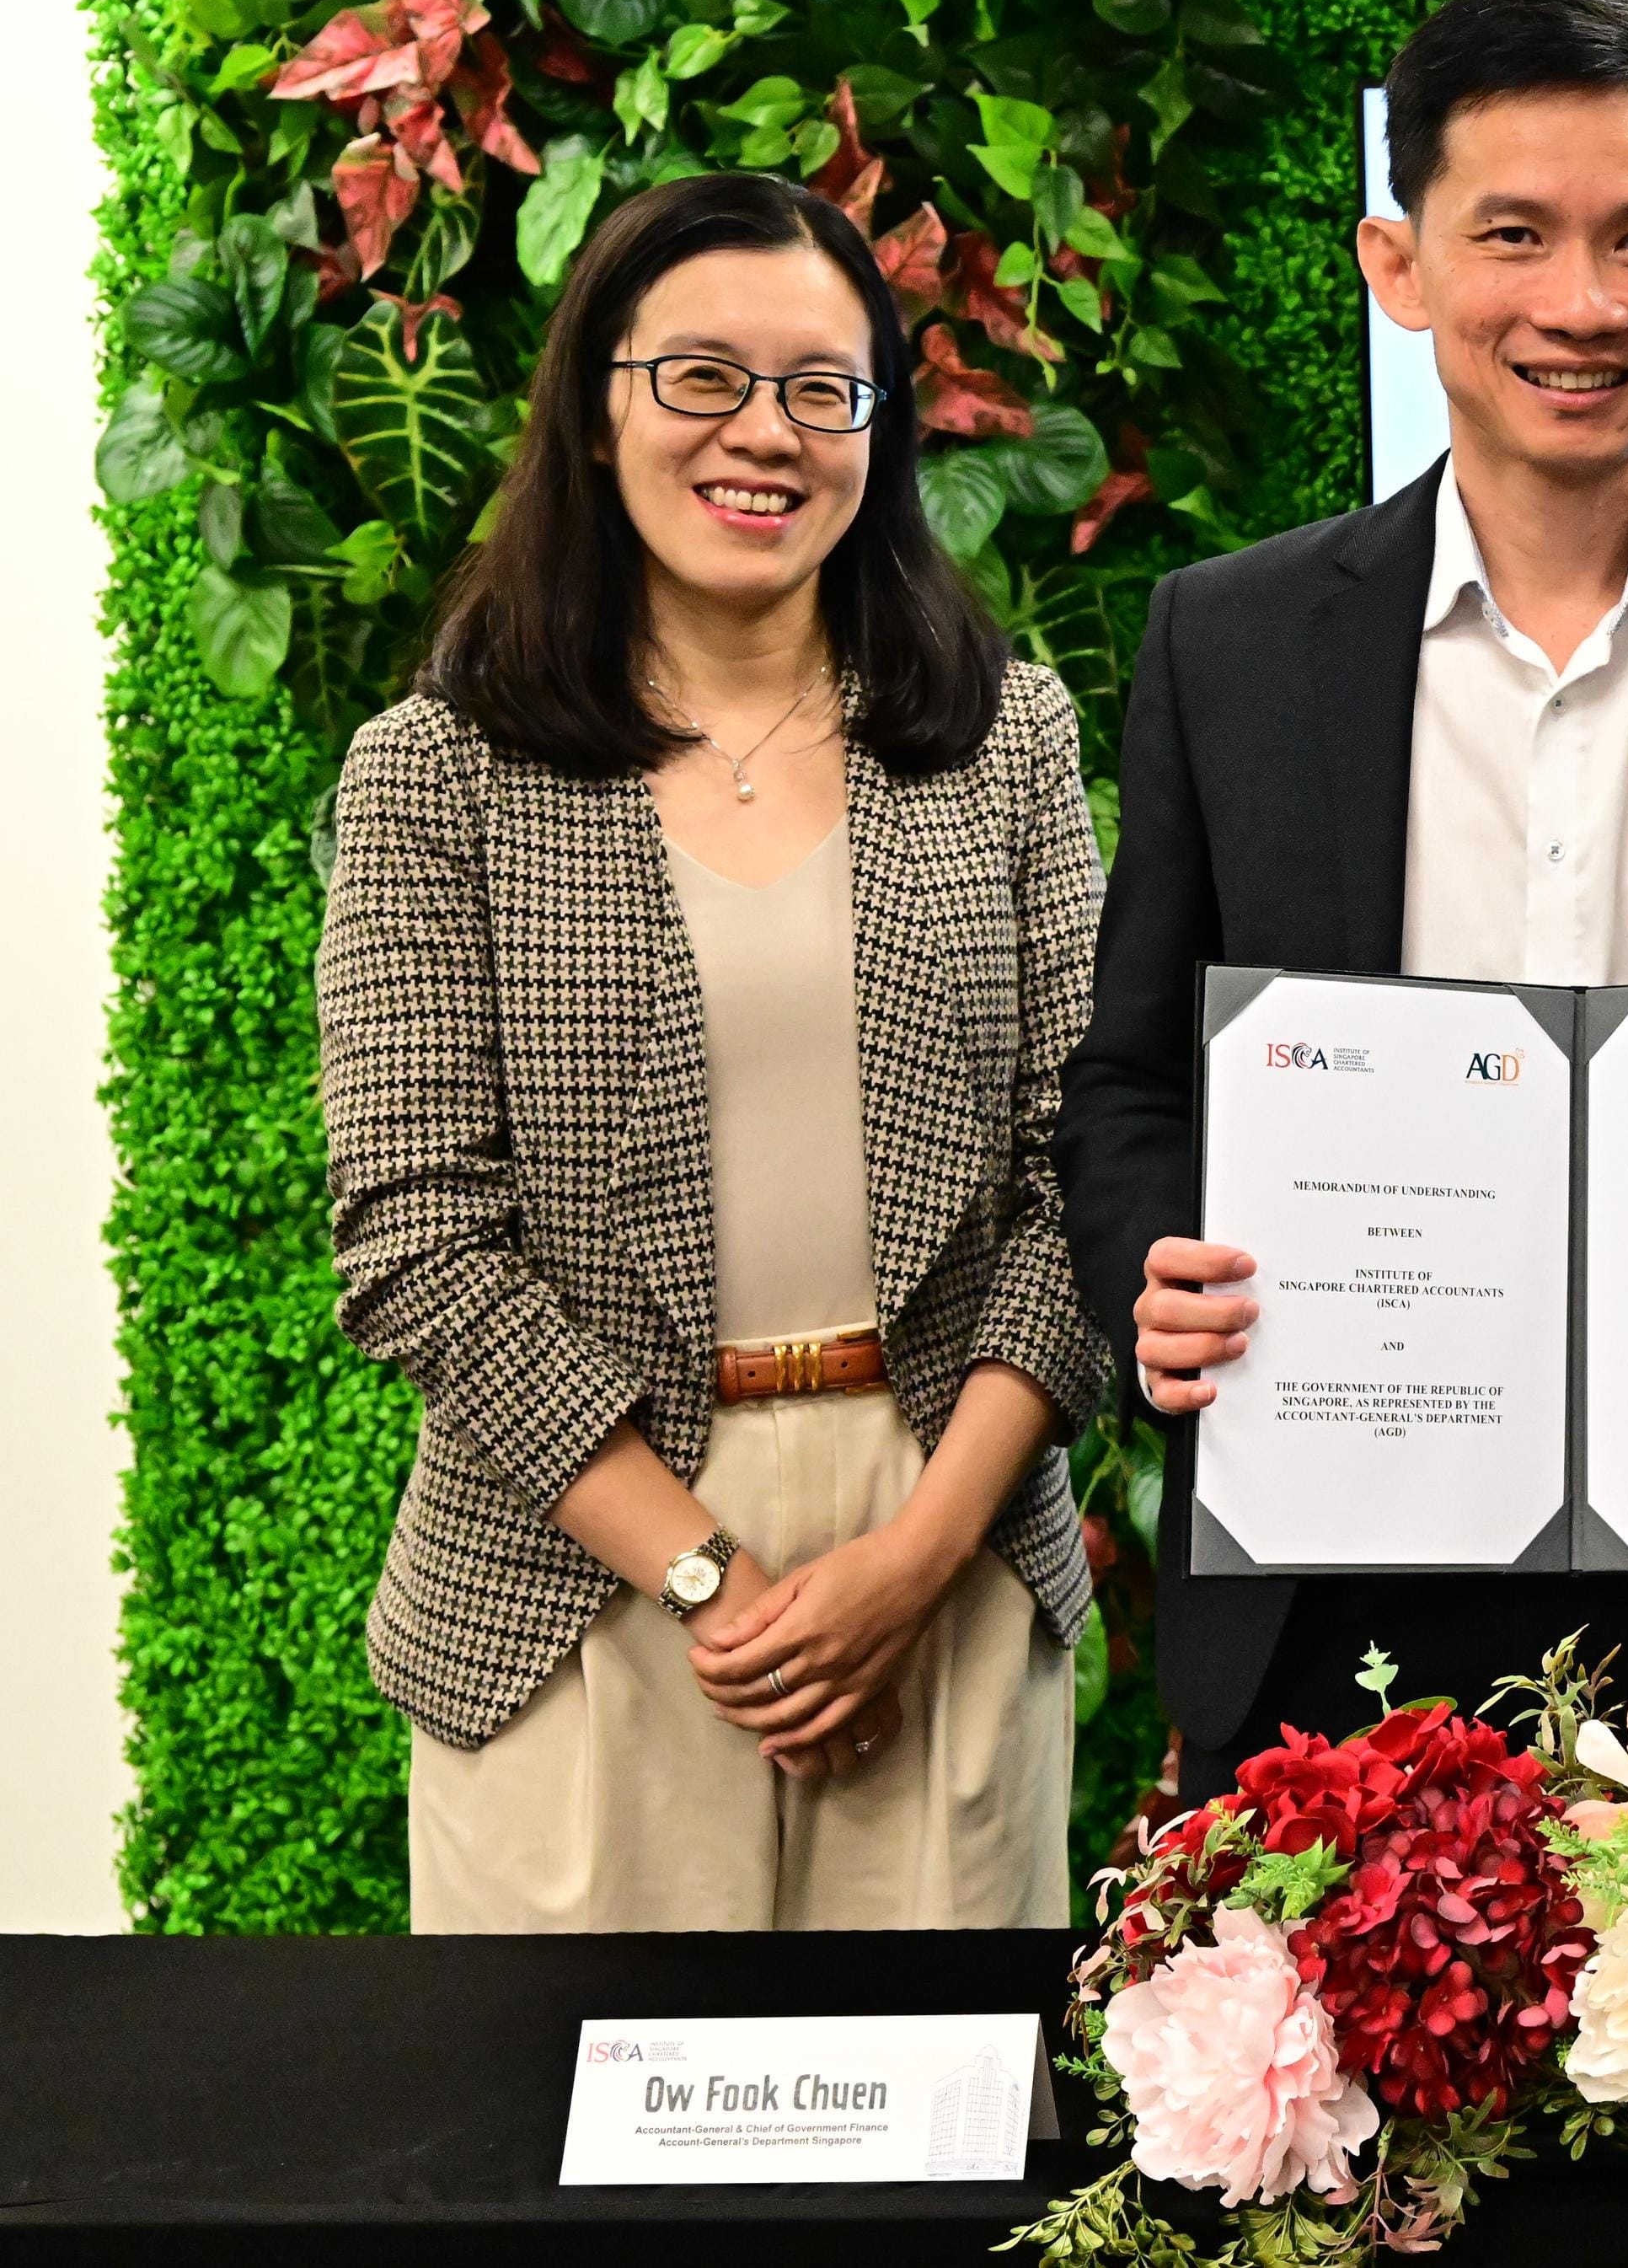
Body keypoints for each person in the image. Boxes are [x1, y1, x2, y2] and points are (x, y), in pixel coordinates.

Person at [1065, 0, 1628, 1795]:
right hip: (1331, 1590)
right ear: (1397, 266)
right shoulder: (1229, 645)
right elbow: (1133, 1079)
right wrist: (1147, 1275)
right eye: (1516, 237)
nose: (1581, 303)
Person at [325, 170, 1111, 1932]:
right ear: (599, 409)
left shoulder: (1004, 744)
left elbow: (1091, 1171)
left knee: (936, 2162)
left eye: (822, 388)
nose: (765, 433)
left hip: (949, 1525)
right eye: (700, 377)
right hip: (578, 1556)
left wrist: (912, 1561)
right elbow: (416, 1240)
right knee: (592, 2173)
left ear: (878, 430)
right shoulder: (439, 769)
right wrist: (711, 1580)